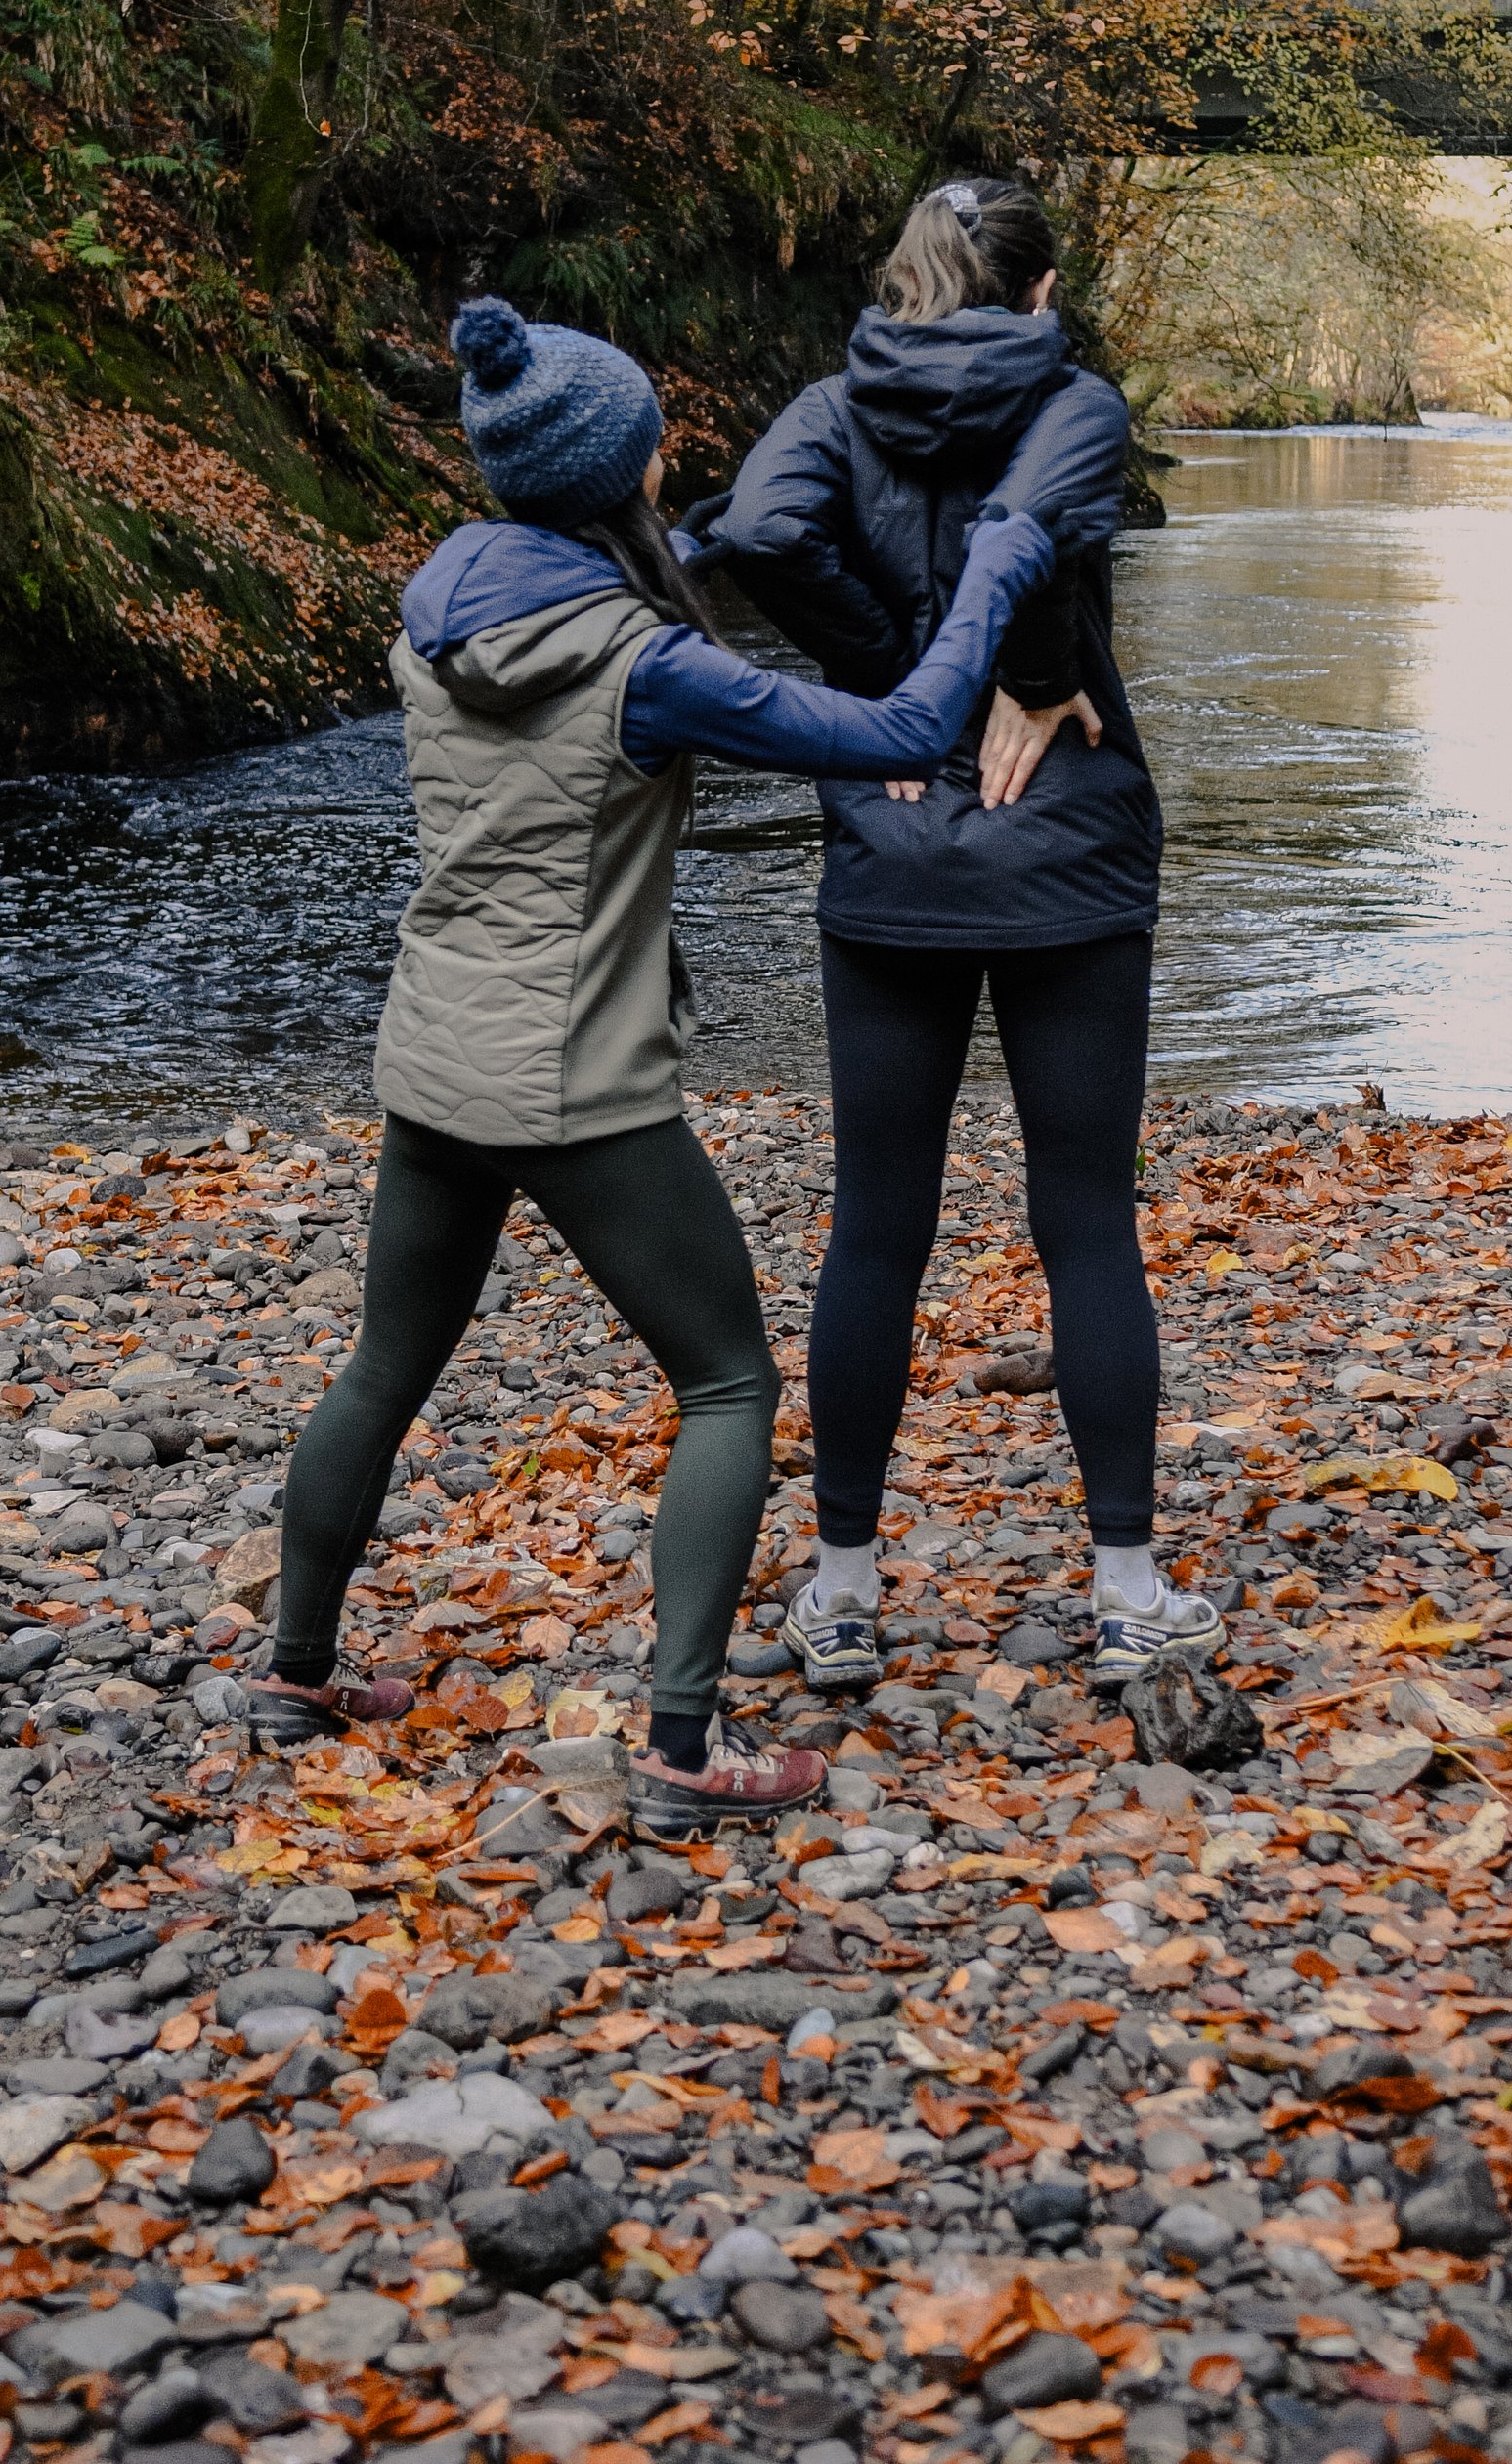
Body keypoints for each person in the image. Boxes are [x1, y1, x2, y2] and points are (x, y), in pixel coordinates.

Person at [248, 291, 1053, 1843]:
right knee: (730, 1381)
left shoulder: (440, 604)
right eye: (651, 443)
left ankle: (293, 1672)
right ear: (609, 469)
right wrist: (1001, 568)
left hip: (433, 1052)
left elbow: (604, 600)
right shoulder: (640, 662)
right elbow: (909, 717)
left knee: (382, 1367)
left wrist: (710, 536)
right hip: (573, 1075)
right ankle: (681, 1742)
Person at [702, 175, 1214, 1693]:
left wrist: (891, 704)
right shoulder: (1079, 400)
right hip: (1069, 850)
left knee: (878, 1221)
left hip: (895, 843)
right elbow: (1033, 535)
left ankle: (845, 1593)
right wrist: (1007, 676)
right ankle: (1126, 1594)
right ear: (1043, 293)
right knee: (1085, 1217)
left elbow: (759, 527)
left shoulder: (833, 401)